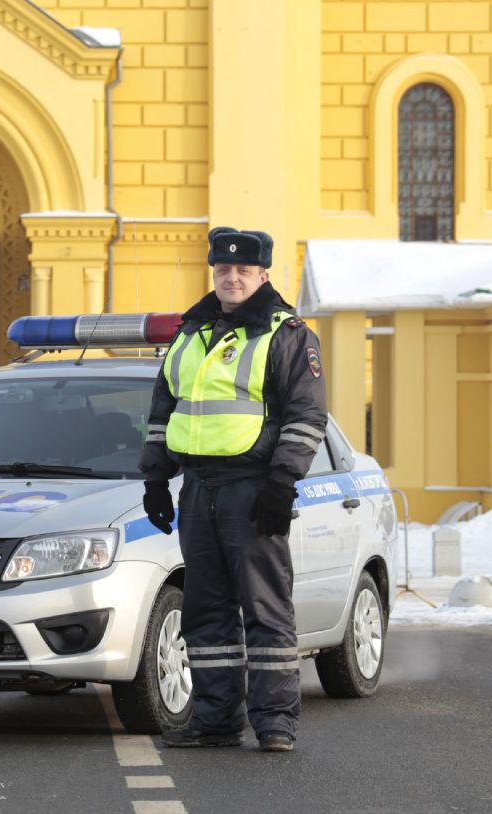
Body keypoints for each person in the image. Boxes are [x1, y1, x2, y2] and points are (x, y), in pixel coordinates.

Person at [138, 227, 327, 753]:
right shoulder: (189, 333)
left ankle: (275, 723)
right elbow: (162, 412)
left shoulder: (286, 333)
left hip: (254, 488)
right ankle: (216, 720)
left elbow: (307, 416)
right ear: (214, 273)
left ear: (263, 274)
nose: (233, 276)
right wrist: (155, 478)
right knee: (206, 610)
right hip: (198, 489)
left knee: (265, 610)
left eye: (244, 270)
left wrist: (282, 483)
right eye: (224, 269)